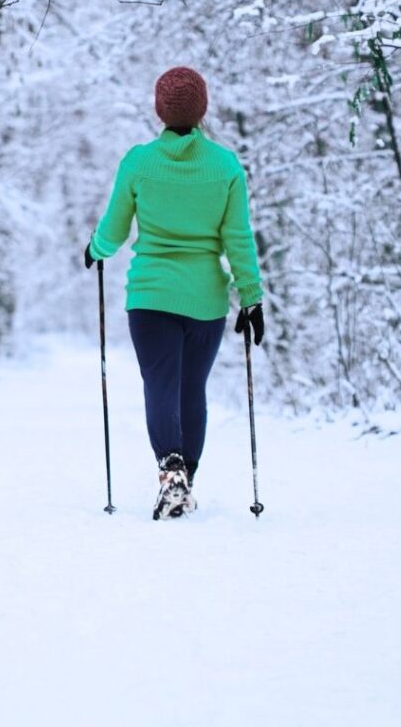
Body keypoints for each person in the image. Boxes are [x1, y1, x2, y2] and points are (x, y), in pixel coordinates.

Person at [84, 66, 265, 520]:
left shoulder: (139, 162)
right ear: (203, 109)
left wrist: (95, 248)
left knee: (160, 385)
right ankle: (186, 477)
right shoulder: (225, 166)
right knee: (192, 391)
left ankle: (172, 472)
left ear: (158, 109)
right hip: (205, 300)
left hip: (151, 297)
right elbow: (237, 238)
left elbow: (115, 230)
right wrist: (251, 296)